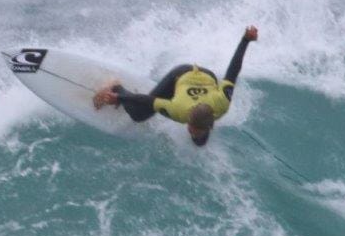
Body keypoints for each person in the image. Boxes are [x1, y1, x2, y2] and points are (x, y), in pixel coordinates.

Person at [93, 26, 258, 146]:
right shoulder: (178, 109)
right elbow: (147, 100)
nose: (190, 131)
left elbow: (232, 73)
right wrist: (119, 97)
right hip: (180, 75)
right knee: (139, 115)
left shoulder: (222, 102)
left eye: (193, 130)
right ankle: (116, 87)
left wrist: (246, 40)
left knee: (200, 142)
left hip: (206, 76)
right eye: (192, 128)